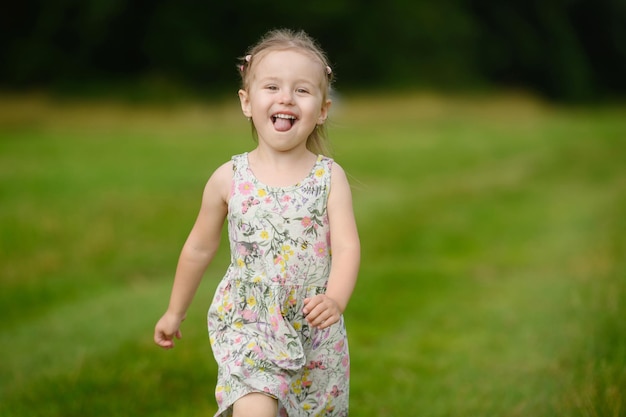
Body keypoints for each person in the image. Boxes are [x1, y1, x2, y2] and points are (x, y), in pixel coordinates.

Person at [154, 28, 360, 417]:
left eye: (301, 90)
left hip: (313, 328)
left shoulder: (329, 177)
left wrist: (335, 298)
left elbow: (347, 246)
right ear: (247, 102)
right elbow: (199, 247)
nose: (286, 97)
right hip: (249, 322)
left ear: (322, 110)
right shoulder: (228, 178)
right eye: (272, 87)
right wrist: (174, 311)